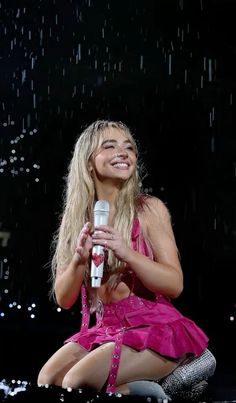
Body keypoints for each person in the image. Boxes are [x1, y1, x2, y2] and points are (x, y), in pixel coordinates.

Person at [37, 119, 209, 397]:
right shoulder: (75, 221)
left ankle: (172, 380)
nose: (124, 152)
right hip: (108, 328)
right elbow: (63, 298)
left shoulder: (148, 209)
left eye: (129, 147)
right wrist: (79, 261)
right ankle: (148, 389)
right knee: (48, 380)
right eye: (110, 146)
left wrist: (127, 254)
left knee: (77, 382)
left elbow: (174, 284)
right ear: (89, 162)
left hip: (155, 328)